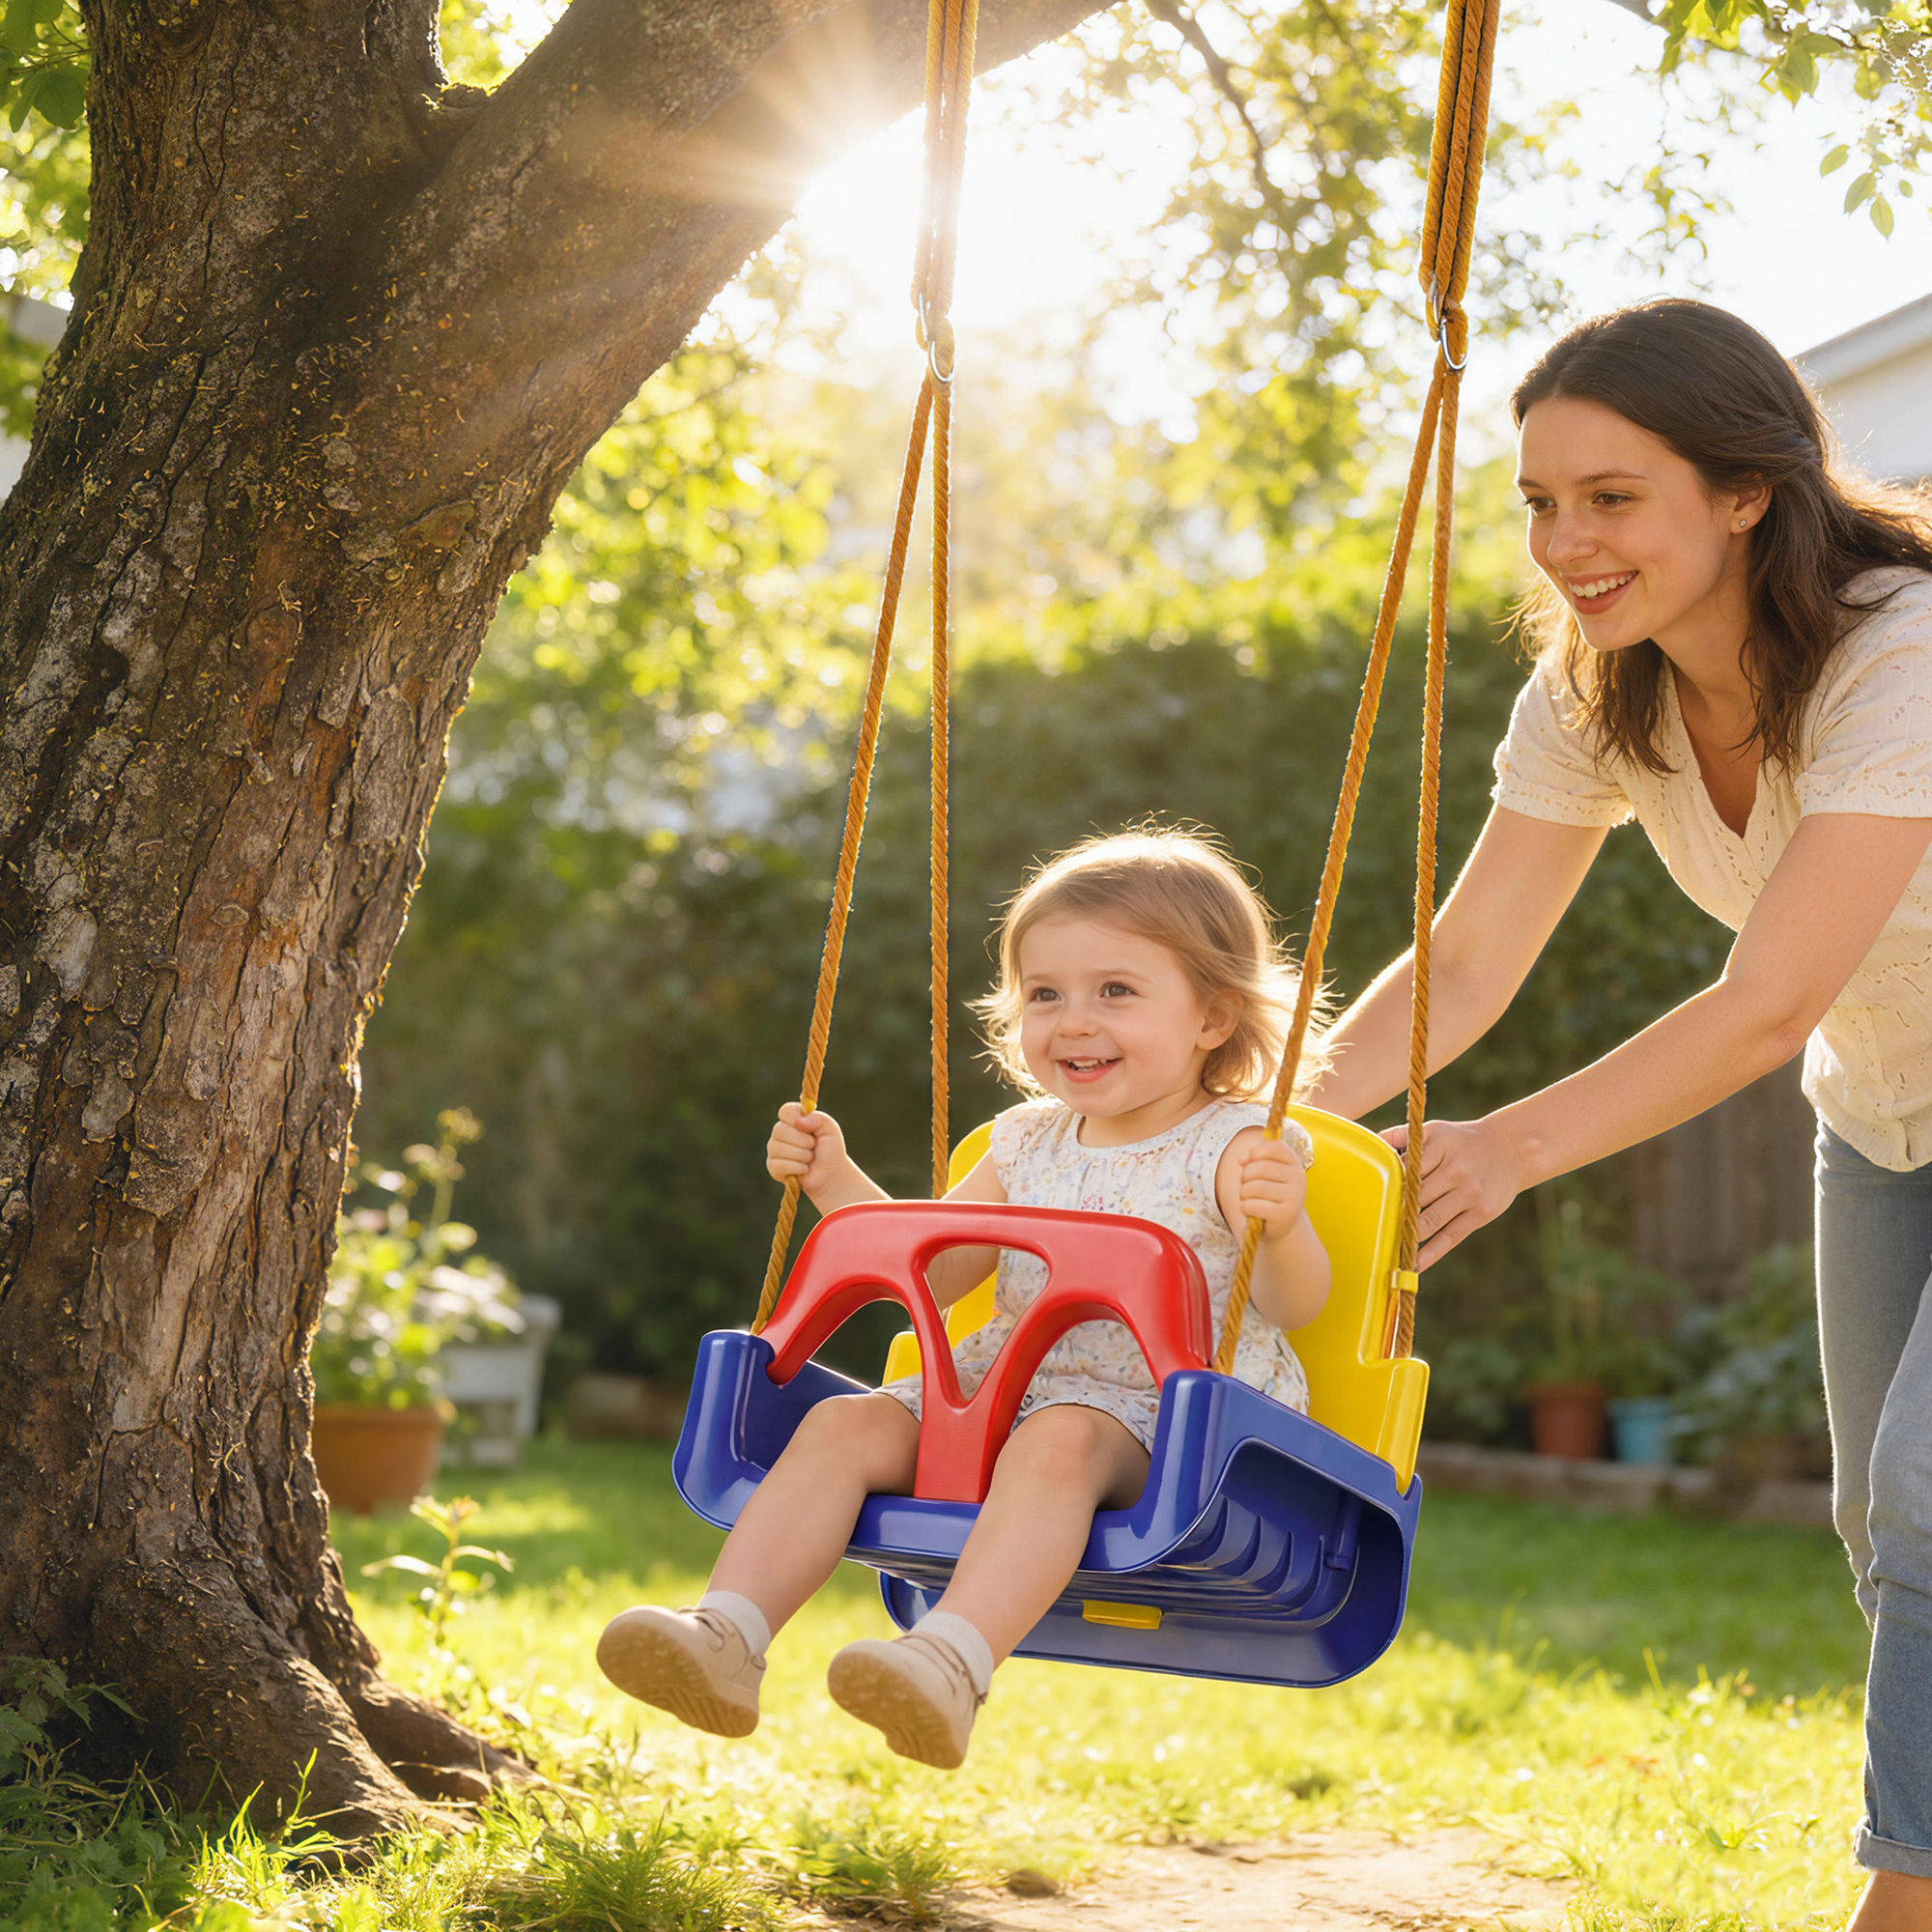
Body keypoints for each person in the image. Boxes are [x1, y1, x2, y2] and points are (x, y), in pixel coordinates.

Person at [1303, 298, 1932, 1931]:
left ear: (1744, 492)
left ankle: (1908, 1899)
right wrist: (1264, 1109)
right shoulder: (1600, 693)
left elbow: (1763, 998)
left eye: (1612, 496)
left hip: (1833, 1052)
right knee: (1885, 1519)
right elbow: (1471, 953)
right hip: (1882, 1113)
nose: (1565, 542)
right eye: (1540, 501)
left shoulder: (1900, 653)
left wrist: (1509, 1146)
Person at [597, 829, 1331, 1769]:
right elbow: (936, 1272)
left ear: (1212, 1016)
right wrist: (834, 1179)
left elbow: (1293, 1301)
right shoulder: (1024, 1141)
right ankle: (725, 1636)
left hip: (1170, 1418)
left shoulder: (1232, 1146)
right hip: (993, 1389)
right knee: (839, 1425)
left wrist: (1287, 1223)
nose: (1071, 1019)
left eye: (1115, 989)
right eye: (1043, 992)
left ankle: (949, 1663)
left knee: (1059, 1436)